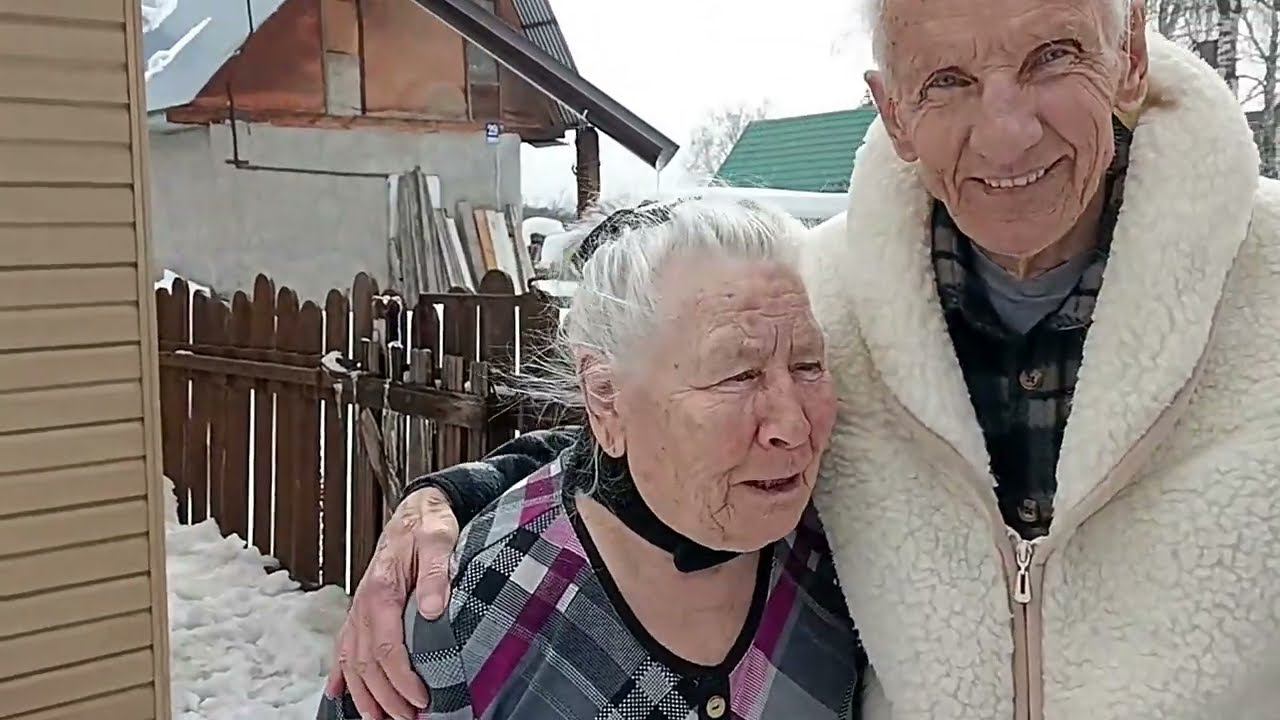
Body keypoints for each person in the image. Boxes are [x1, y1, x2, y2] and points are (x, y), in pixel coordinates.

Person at [328, 0, 1280, 716]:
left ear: (1130, 52)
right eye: (946, 81)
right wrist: (441, 504)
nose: (1005, 131)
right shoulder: (831, 304)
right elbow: (652, 427)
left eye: (1053, 55)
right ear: (892, 111)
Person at [319, 198, 867, 719]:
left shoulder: (845, 555)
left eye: (808, 366)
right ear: (605, 398)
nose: (793, 427)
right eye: (738, 375)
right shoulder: (466, 614)